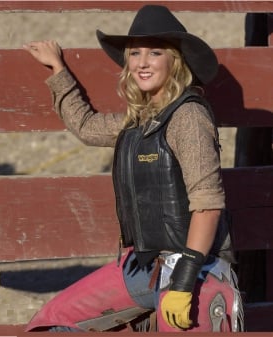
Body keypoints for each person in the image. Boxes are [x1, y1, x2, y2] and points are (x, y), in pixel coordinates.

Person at [23, 5, 243, 332]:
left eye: (155, 52)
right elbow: (86, 126)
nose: (142, 62)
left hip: (193, 268)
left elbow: (208, 206)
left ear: (175, 62)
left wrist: (183, 281)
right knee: (53, 321)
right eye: (135, 53)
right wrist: (58, 71)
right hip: (141, 266)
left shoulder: (189, 117)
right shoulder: (137, 122)